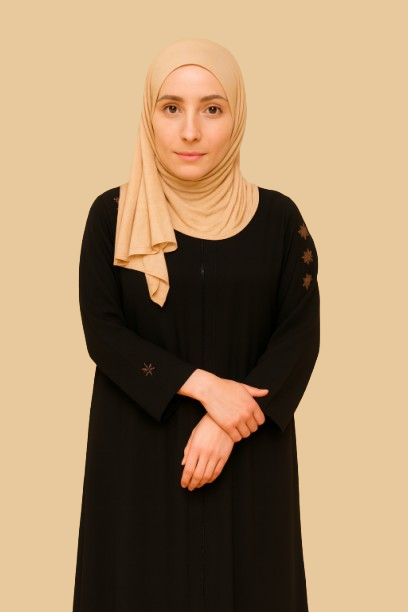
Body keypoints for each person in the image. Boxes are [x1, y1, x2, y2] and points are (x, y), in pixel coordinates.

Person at [72, 38, 320, 612]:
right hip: (137, 456)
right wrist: (206, 388)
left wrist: (227, 425)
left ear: (237, 115)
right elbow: (103, 331)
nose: (190, 131)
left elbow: (298, 335)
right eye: (171, 108)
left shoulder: (279, 220)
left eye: (212, 108)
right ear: (149, 115)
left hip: (249, 454)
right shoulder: (113, 215)